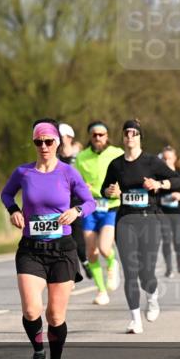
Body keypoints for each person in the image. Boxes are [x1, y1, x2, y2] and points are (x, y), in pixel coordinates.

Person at [1, 119, 95, 359]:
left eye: (48, 141)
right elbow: (6, 194)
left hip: (62, 250)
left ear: (57, 143)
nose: (43, 146)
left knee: (54, 315)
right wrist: (14, 210)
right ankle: (38, 352)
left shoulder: (68, 173)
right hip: (31, 250)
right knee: (32, 310)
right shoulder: (23, 172)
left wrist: (76, 211)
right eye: (38, 141)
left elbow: (90, 202)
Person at [102, 120, 180, 333]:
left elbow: (177, 181)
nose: (130, 136)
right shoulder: (116, 164)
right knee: (130, 272)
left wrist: (158, 184)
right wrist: (109, 192)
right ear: (122, 137)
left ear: (140, 137)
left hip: (149, 220)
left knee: (146, 273)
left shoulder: (152, 162)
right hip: (125, 220)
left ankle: (152, 298)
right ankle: (135, 319)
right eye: (126, 133)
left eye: (134, 133)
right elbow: (104, 189)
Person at [74, 122, 124, 305]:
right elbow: (75, 181)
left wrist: (120, 190)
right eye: (94, 135)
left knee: (104, 247)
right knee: (91, 252)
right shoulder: (82, 157)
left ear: (107, 135)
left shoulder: (117, 153)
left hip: (111, 206)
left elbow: (127, 177)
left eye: (101, 134)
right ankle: (102, 291)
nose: (98, 138)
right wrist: (81, 187)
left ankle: (112, 262)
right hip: (90, 206)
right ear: (90, 136)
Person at [57, 123, 88, 275]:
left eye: (61, 136)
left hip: (76, 201)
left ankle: (85, 262)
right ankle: (73, 270)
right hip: (60, 201)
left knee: (78, 240)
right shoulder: (55, 157)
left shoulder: (80, 157)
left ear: (69, 137)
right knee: (64, 237)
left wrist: (86, 184)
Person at [157, 147, 180, 278]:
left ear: (174, 158)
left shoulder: (179, 173)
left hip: (177, 211)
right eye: (164, 159)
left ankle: (179, 256)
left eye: (169, 158)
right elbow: (153, 193)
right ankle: (169, 268)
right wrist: (160, 198)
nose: (166, 161)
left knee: (177, 239)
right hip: (162, 211)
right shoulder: (158, 174)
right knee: (166, 239)